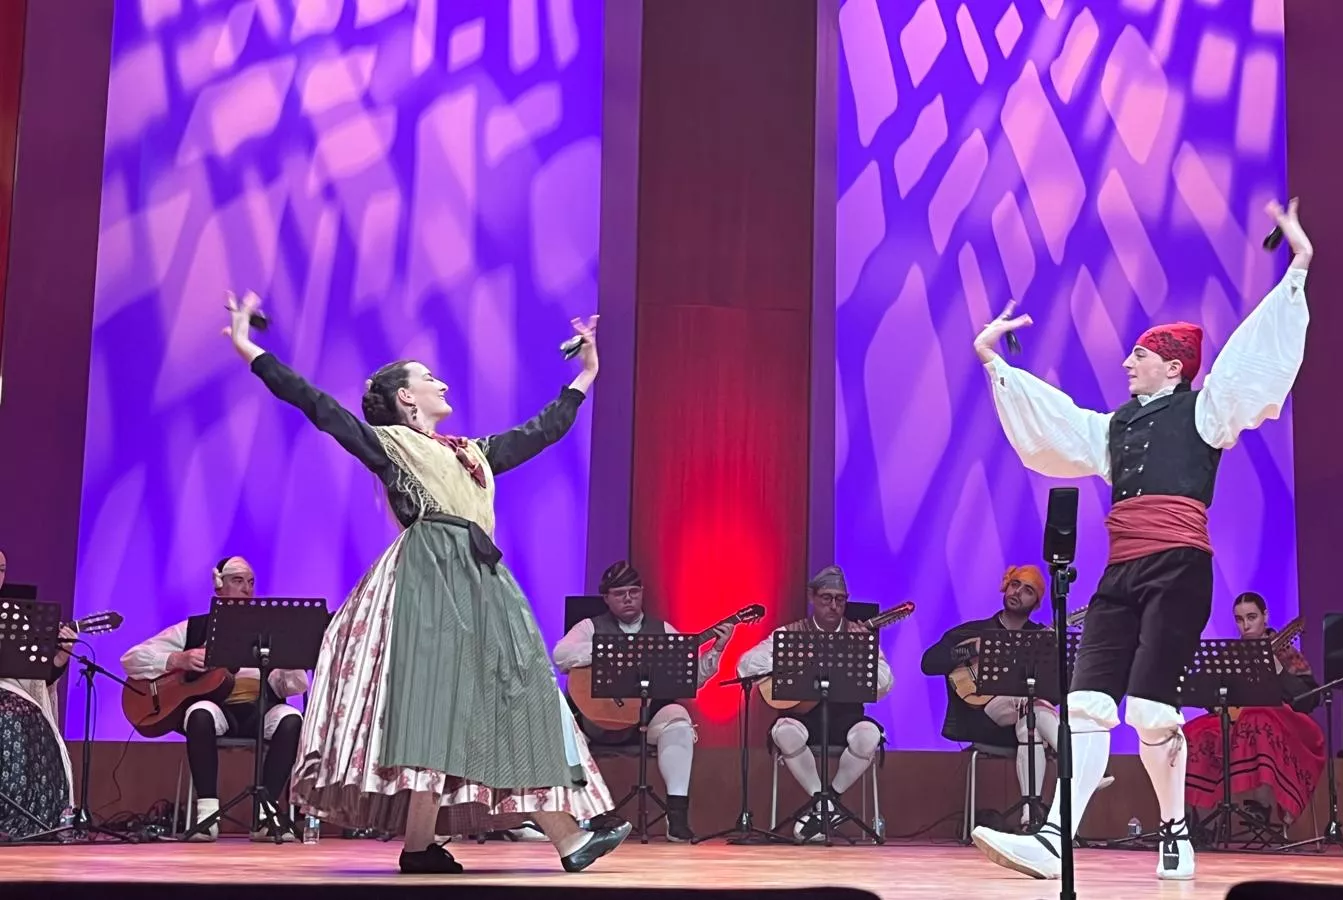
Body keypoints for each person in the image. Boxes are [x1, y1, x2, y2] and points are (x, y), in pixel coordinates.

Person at [221, 290, 625, 874]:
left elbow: (542, 431)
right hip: (433, 578)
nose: (443, 385)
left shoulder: (474, 452)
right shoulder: (391, 445)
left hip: (484, 578)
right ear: (406, 396)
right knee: (441, 707)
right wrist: (246, 346)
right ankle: (566, 838)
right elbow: (314, 404)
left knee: (496, 697)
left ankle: (422, 846)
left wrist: (585, 376)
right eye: (430, 377)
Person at [967, 199, 1313, 881]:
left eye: (1141, 354)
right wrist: (991, 359)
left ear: (1175, 367)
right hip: (1120, 575)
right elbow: (1056, 422)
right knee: (1089, 703)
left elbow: (1252, 355)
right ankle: (1055, 836)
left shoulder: (1207, 411)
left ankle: (1175, 828)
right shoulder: (1114, 428)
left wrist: (1298, 265)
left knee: (1153, 710)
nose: (1127, 362)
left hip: (1180, 569)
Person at [121, 556, 308, 841]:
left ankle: (265, 816)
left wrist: (291, 655)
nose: (247, 589)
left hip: (261, 709)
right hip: (218, 710)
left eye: (251, 582)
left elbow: (292, 686)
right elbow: (131, 659)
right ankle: (207, 815)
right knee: (199, 712)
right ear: (219, 588)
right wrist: (178, 659)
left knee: (293, 718)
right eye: (237, 581)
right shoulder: (194, 629)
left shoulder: (269, 631)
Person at [552, 560, 734, 841]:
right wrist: (614, 651)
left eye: (634, 592)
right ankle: (580, 817)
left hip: (646, 719)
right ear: (606, 599)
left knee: (679, 720)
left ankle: (676, 815)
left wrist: (718, 648)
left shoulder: (663, 629)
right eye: (619, 593)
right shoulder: (590, 627)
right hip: (597, 721)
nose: (628, 599)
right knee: (563, 728)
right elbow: (561, 655)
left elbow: (692, 678)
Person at [737, 566, 891, 841]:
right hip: (803, 717)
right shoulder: (792, 632)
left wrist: (860, 654)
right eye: (827, 598)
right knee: (784, 731)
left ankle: (826, 803)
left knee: (870, 736)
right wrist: (795, 662)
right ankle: (825, 805)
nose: (834, 606)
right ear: (812, 597)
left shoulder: (860, 637)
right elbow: (745, 665)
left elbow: (884, 682)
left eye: (840, 600)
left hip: (846, 717)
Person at [921, 565, 1060, 827]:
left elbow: (1057, 693)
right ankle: (1076, 760)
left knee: (1029, 725)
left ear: (1036, 602)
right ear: (1005, 586)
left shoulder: (1041, 638)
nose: (1018, 592)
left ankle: (1029, 818)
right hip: (980, 721)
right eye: (1015, 584)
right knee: (1035, 713)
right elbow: (929, 663)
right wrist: (972, 648)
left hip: (1022, 725)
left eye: (1028, 590)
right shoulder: (970, 631)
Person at [1183, 592, 1325, 836]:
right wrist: (1215, 702)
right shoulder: (1230, 655)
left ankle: (1262, 805)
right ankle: (1201, 820)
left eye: (1252, 617)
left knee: (1257, 720)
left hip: (1280, 723)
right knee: (1192, 733)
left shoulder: (1287, 654)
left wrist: (1279, 670)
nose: (1245, 625)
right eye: (1239, 619)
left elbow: (1309, 700)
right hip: (1235, 720)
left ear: (1265, 616)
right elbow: (1206, 692)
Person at [0, 549, 76, 841]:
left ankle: (22, 815)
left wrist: (58, 659)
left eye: (2, 569)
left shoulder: (12, 617)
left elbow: (32, 677)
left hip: (6, 691)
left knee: (20, 714)